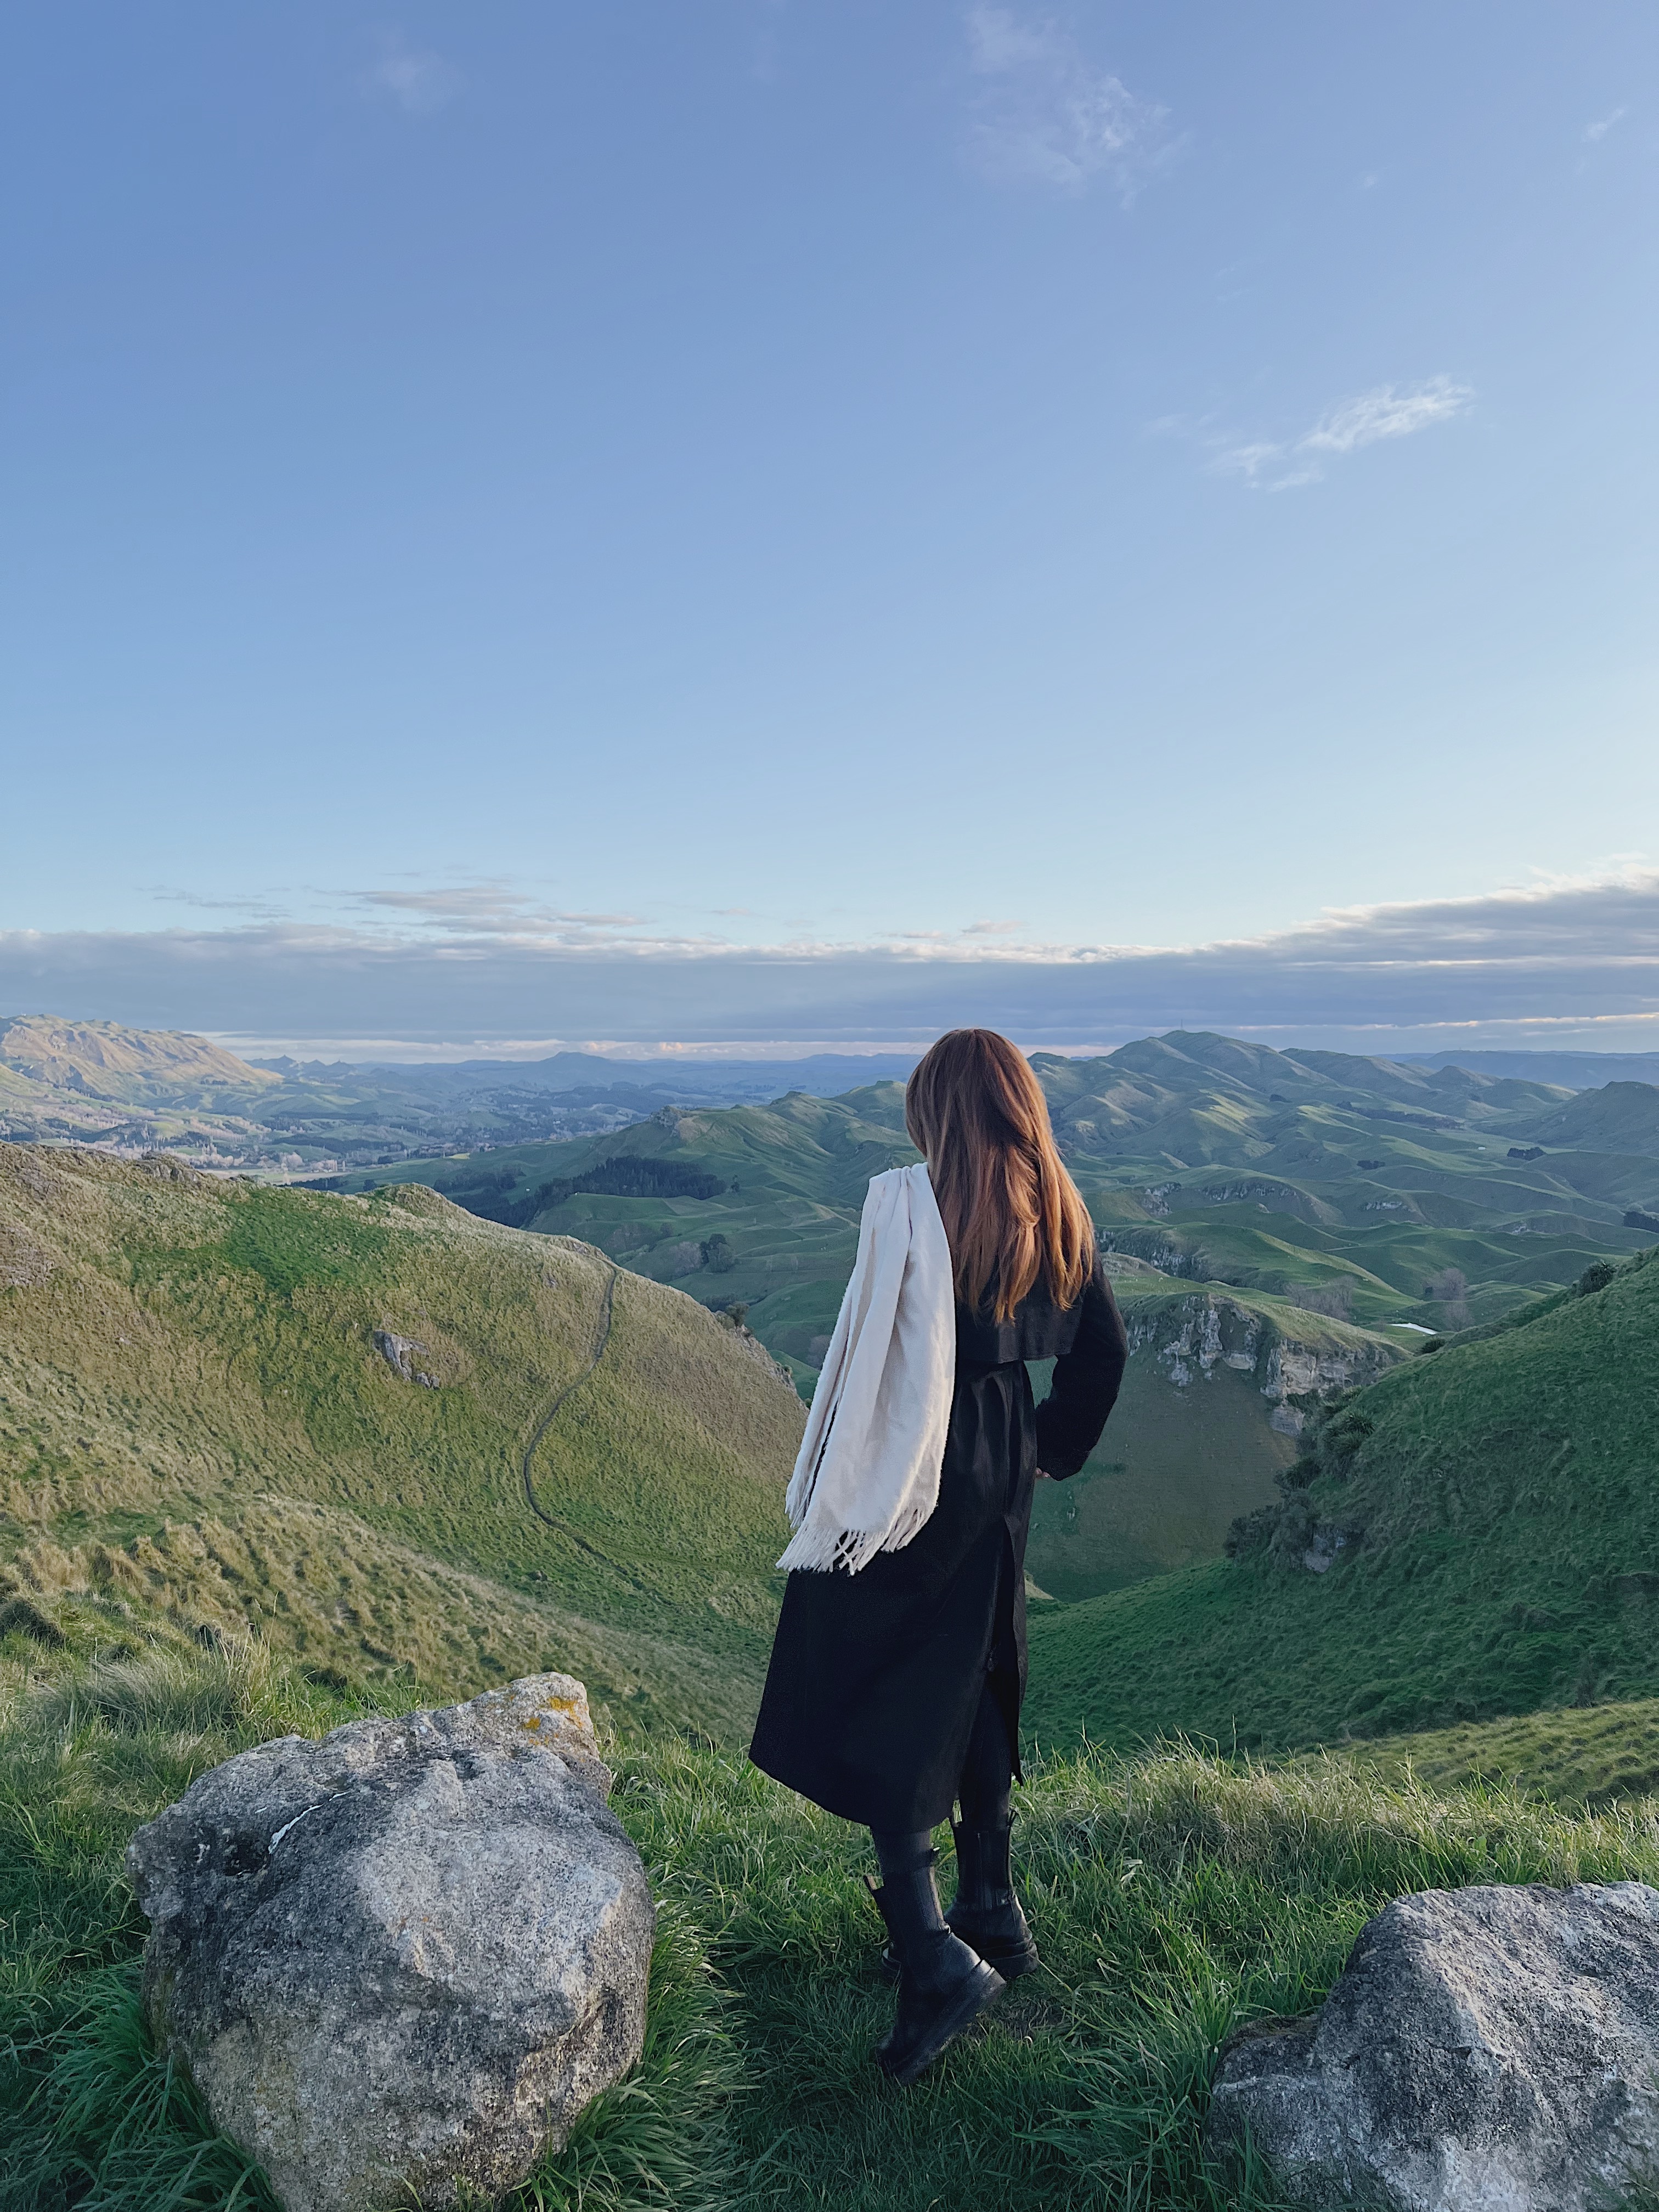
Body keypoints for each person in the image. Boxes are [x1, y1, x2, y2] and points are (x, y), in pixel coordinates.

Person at [749, 1028, 1128, 2085]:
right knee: (978, 1663)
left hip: (919, 1457)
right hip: (1004, 1457)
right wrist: (1053, 1447)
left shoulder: (914, 1204)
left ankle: (931, 1958)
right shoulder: (1056, 1204)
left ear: (939, 1113)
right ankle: (992, 1911)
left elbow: (878, 1349)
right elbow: (1106, 1347)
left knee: (880, 1672)